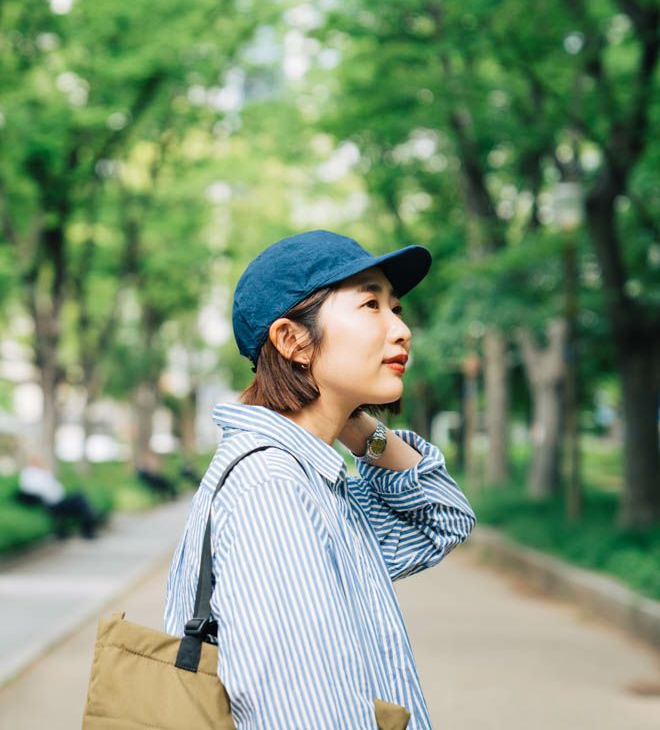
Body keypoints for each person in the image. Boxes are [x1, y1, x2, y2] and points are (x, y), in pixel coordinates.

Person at [163, 229, 477, 729]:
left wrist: (353, 425)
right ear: (292, 340)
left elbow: (442, 520)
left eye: (396, 308)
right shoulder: (274, 490)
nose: (400, 329)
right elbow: (298, 711)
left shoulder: (313, 481)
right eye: (371, 305)